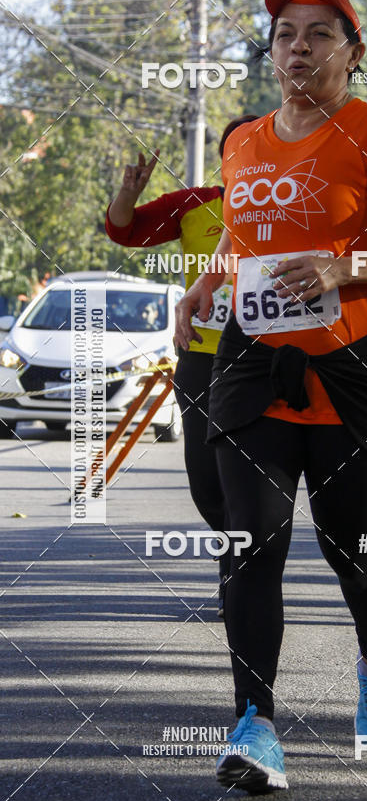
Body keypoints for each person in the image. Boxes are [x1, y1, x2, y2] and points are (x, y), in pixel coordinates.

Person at [174, 0, 367, 793]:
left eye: (319, 35)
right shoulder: (244, 141)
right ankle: (255, 724)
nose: (299, 48)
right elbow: (242, 239)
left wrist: (343, 265)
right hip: (254, 363)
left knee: (345, 540)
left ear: (352, 54)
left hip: (354, 370)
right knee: (252, 540)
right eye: (287, 33)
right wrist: (204, 287)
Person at [105, 115, 257, 615]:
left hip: (268, 356)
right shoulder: (195, 204)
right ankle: (237, 555)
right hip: (203, 355)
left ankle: (245, 574)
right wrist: (128, 192)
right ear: (224, 157)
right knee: (205, 476)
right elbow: (125, 231)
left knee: (252, 472)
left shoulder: (294, 200)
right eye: (236, 148)